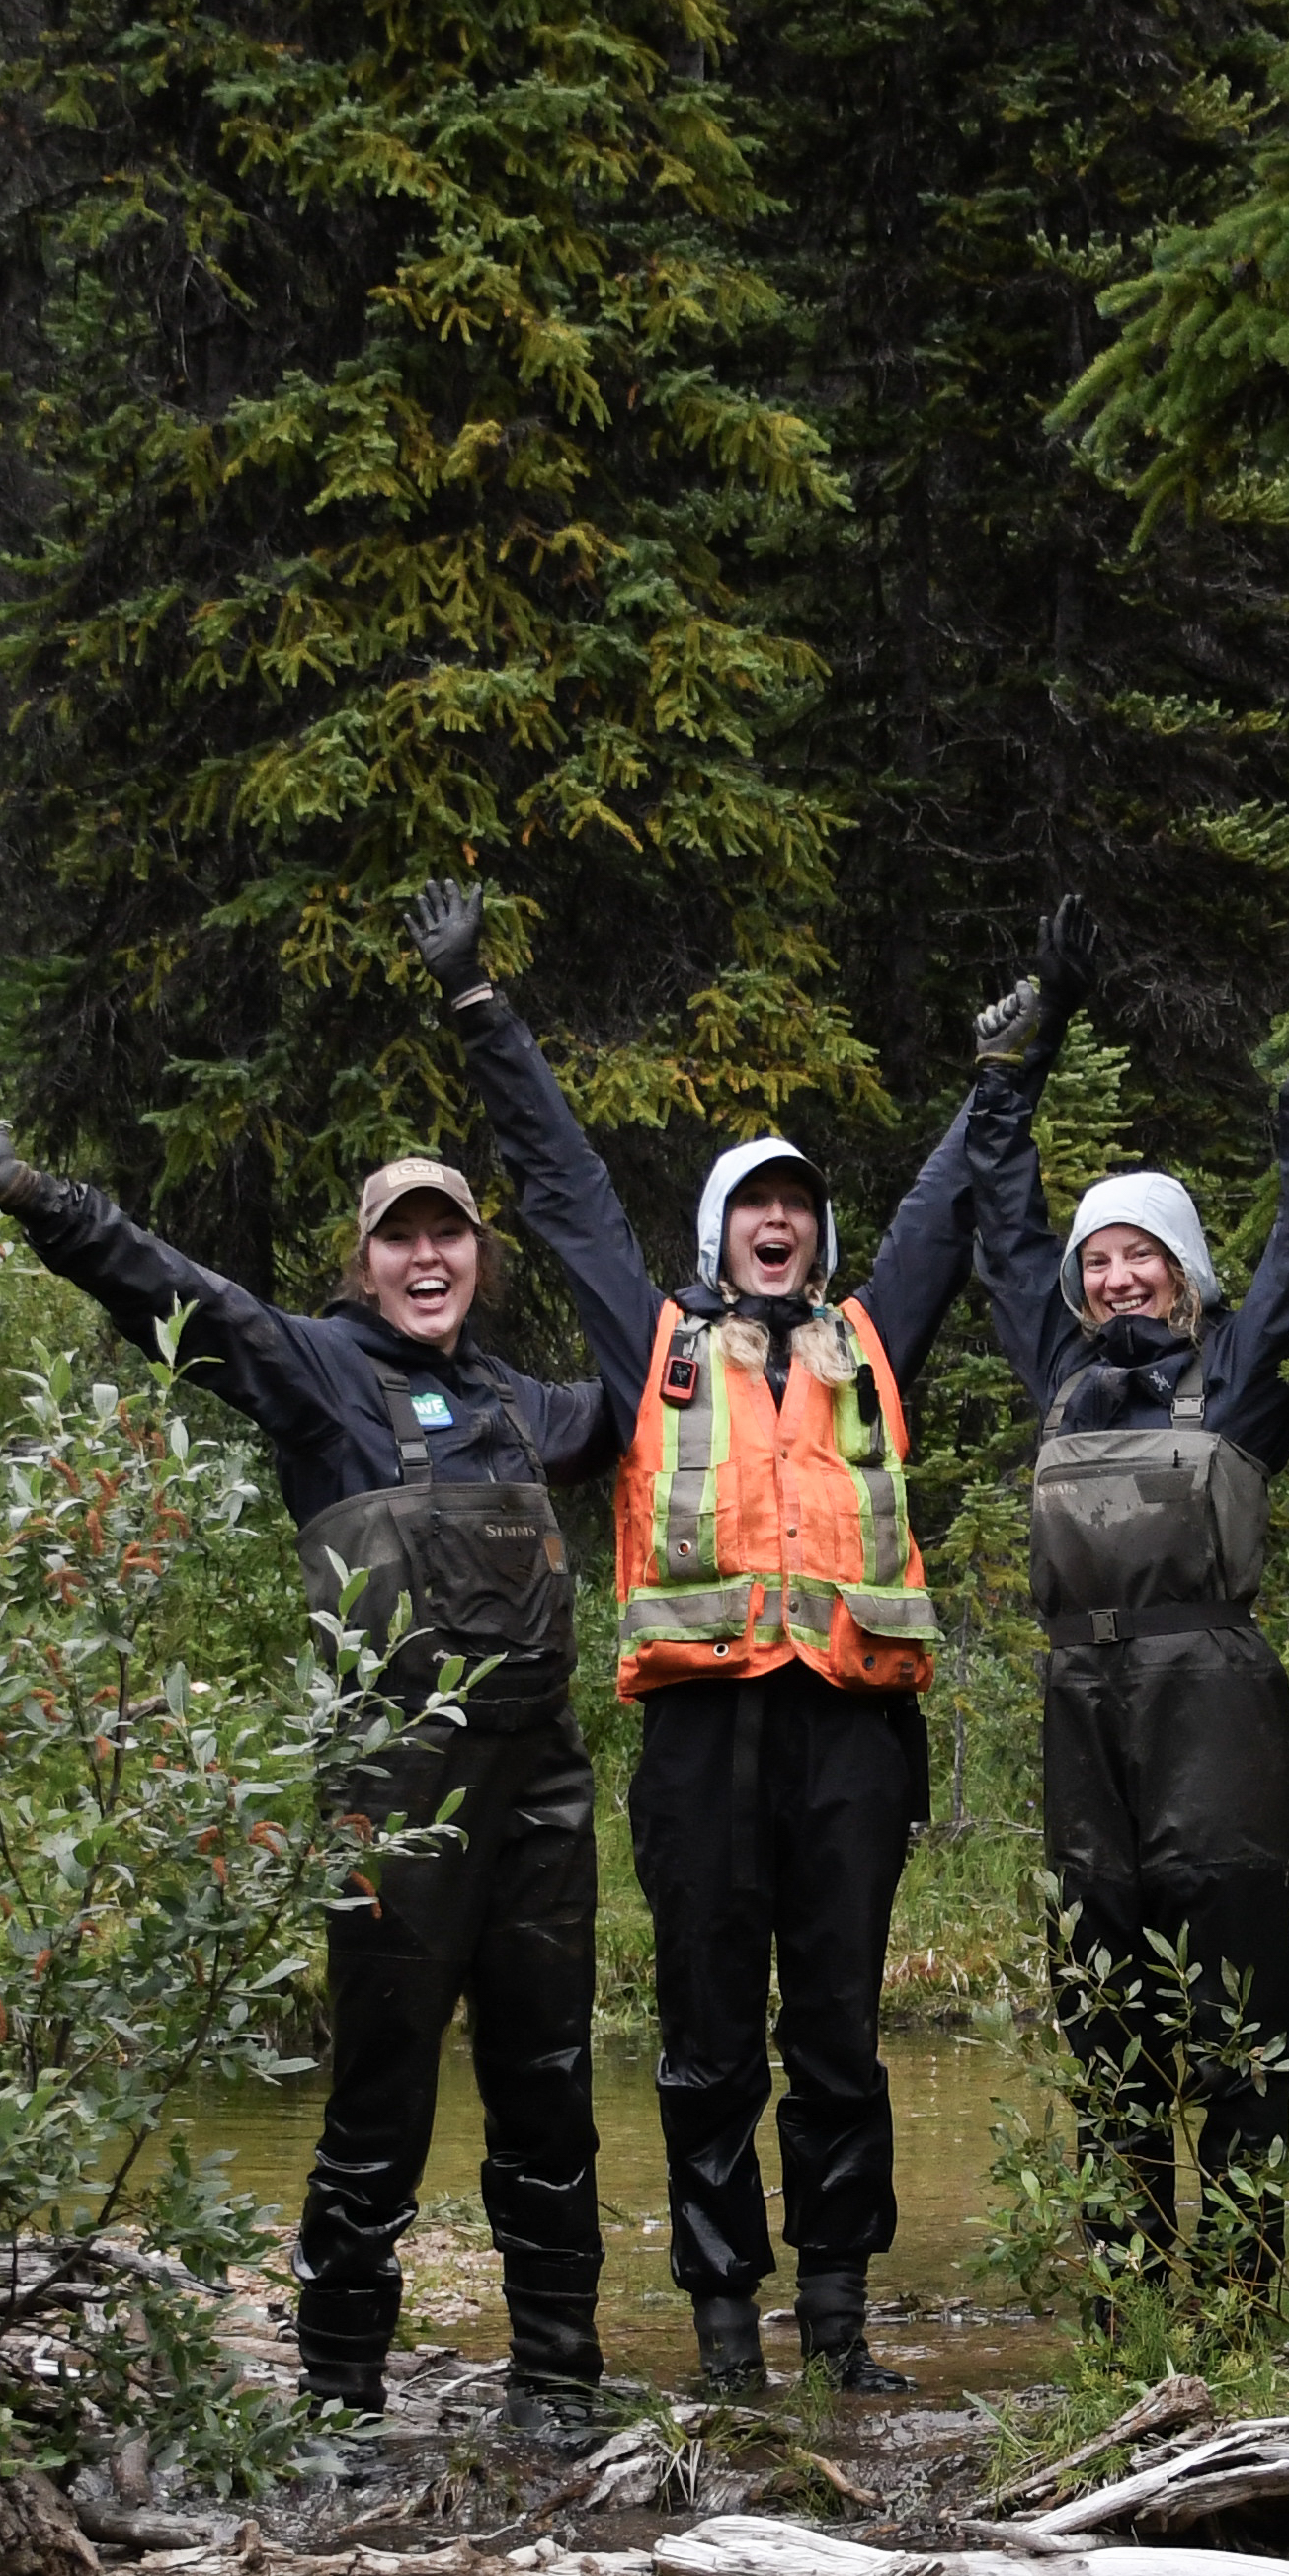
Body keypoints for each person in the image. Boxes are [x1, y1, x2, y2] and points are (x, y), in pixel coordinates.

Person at [0, 1100, 626, 2449]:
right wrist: (33, 1194)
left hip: (544, 1794)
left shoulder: (522, 1403)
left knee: (548, 2084)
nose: (428, 1260)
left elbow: (647, 1374)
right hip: (394, 1793)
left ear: (481, 1256)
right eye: (400, 1240)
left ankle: (558, 2385)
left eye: (451, 1236)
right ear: (364, 1262)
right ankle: (340, 2403)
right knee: (382, 2089)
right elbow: (166, 1288)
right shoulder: (317, 1372)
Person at [419, 876, 979, 2400]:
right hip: (700, 1740)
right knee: (709, 2034)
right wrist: (483, 1008)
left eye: (797, 1204)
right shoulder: (654, 1342)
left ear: (819, 1233)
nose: (777, 1221)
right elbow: (560, 1180)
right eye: (755, 1203)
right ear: (720, 1233)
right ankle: (728, 2330)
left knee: (843, 2032)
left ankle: (845, 2325)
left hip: (851, 1733)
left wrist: (1011, 1067)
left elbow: (945, 1207)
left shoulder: (870, 1338)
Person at [960, 903, 1289, 2310]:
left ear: (1188, 1272)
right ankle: (1133, 2302)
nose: (1115, 1272)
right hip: (1085, 1726)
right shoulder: (1061, 1375)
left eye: (1143, 1253)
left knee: (1237, 2026)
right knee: (1107, 2029)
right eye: (1099, 1259)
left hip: (1219, 1724)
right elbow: (1000, 1237)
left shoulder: (1245, 1372)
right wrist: (1007, 1078)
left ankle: (1244, 2299)